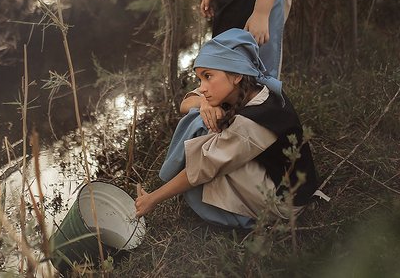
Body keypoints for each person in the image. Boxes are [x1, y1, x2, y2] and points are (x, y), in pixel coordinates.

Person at [134, 29, 318, 228]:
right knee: (199, 118)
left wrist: (152, 199)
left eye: (208, 76)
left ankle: (240, 219)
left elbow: (202, 168)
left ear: (237, 75)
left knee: (201, 165)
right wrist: (203, 103)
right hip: (273, 175)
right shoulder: (251, 88)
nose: (203, 86)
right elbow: (185, 104)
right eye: (199, 79)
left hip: (284, 202)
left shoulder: (256, 120)